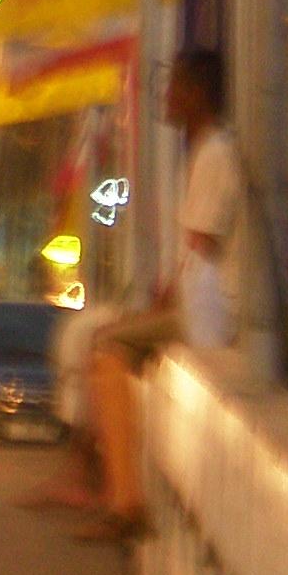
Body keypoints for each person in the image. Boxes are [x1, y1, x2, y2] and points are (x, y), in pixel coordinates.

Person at [81, 52, 242, 543]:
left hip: (209, 312)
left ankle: (125, 501)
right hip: (197, 306)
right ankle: (120, 495)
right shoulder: (205, 151)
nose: (167, 98)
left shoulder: (215, 153)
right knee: (110, 343)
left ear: (197, 94)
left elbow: (201, 246)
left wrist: (162, 306)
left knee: (105, 344)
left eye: (175, 87)